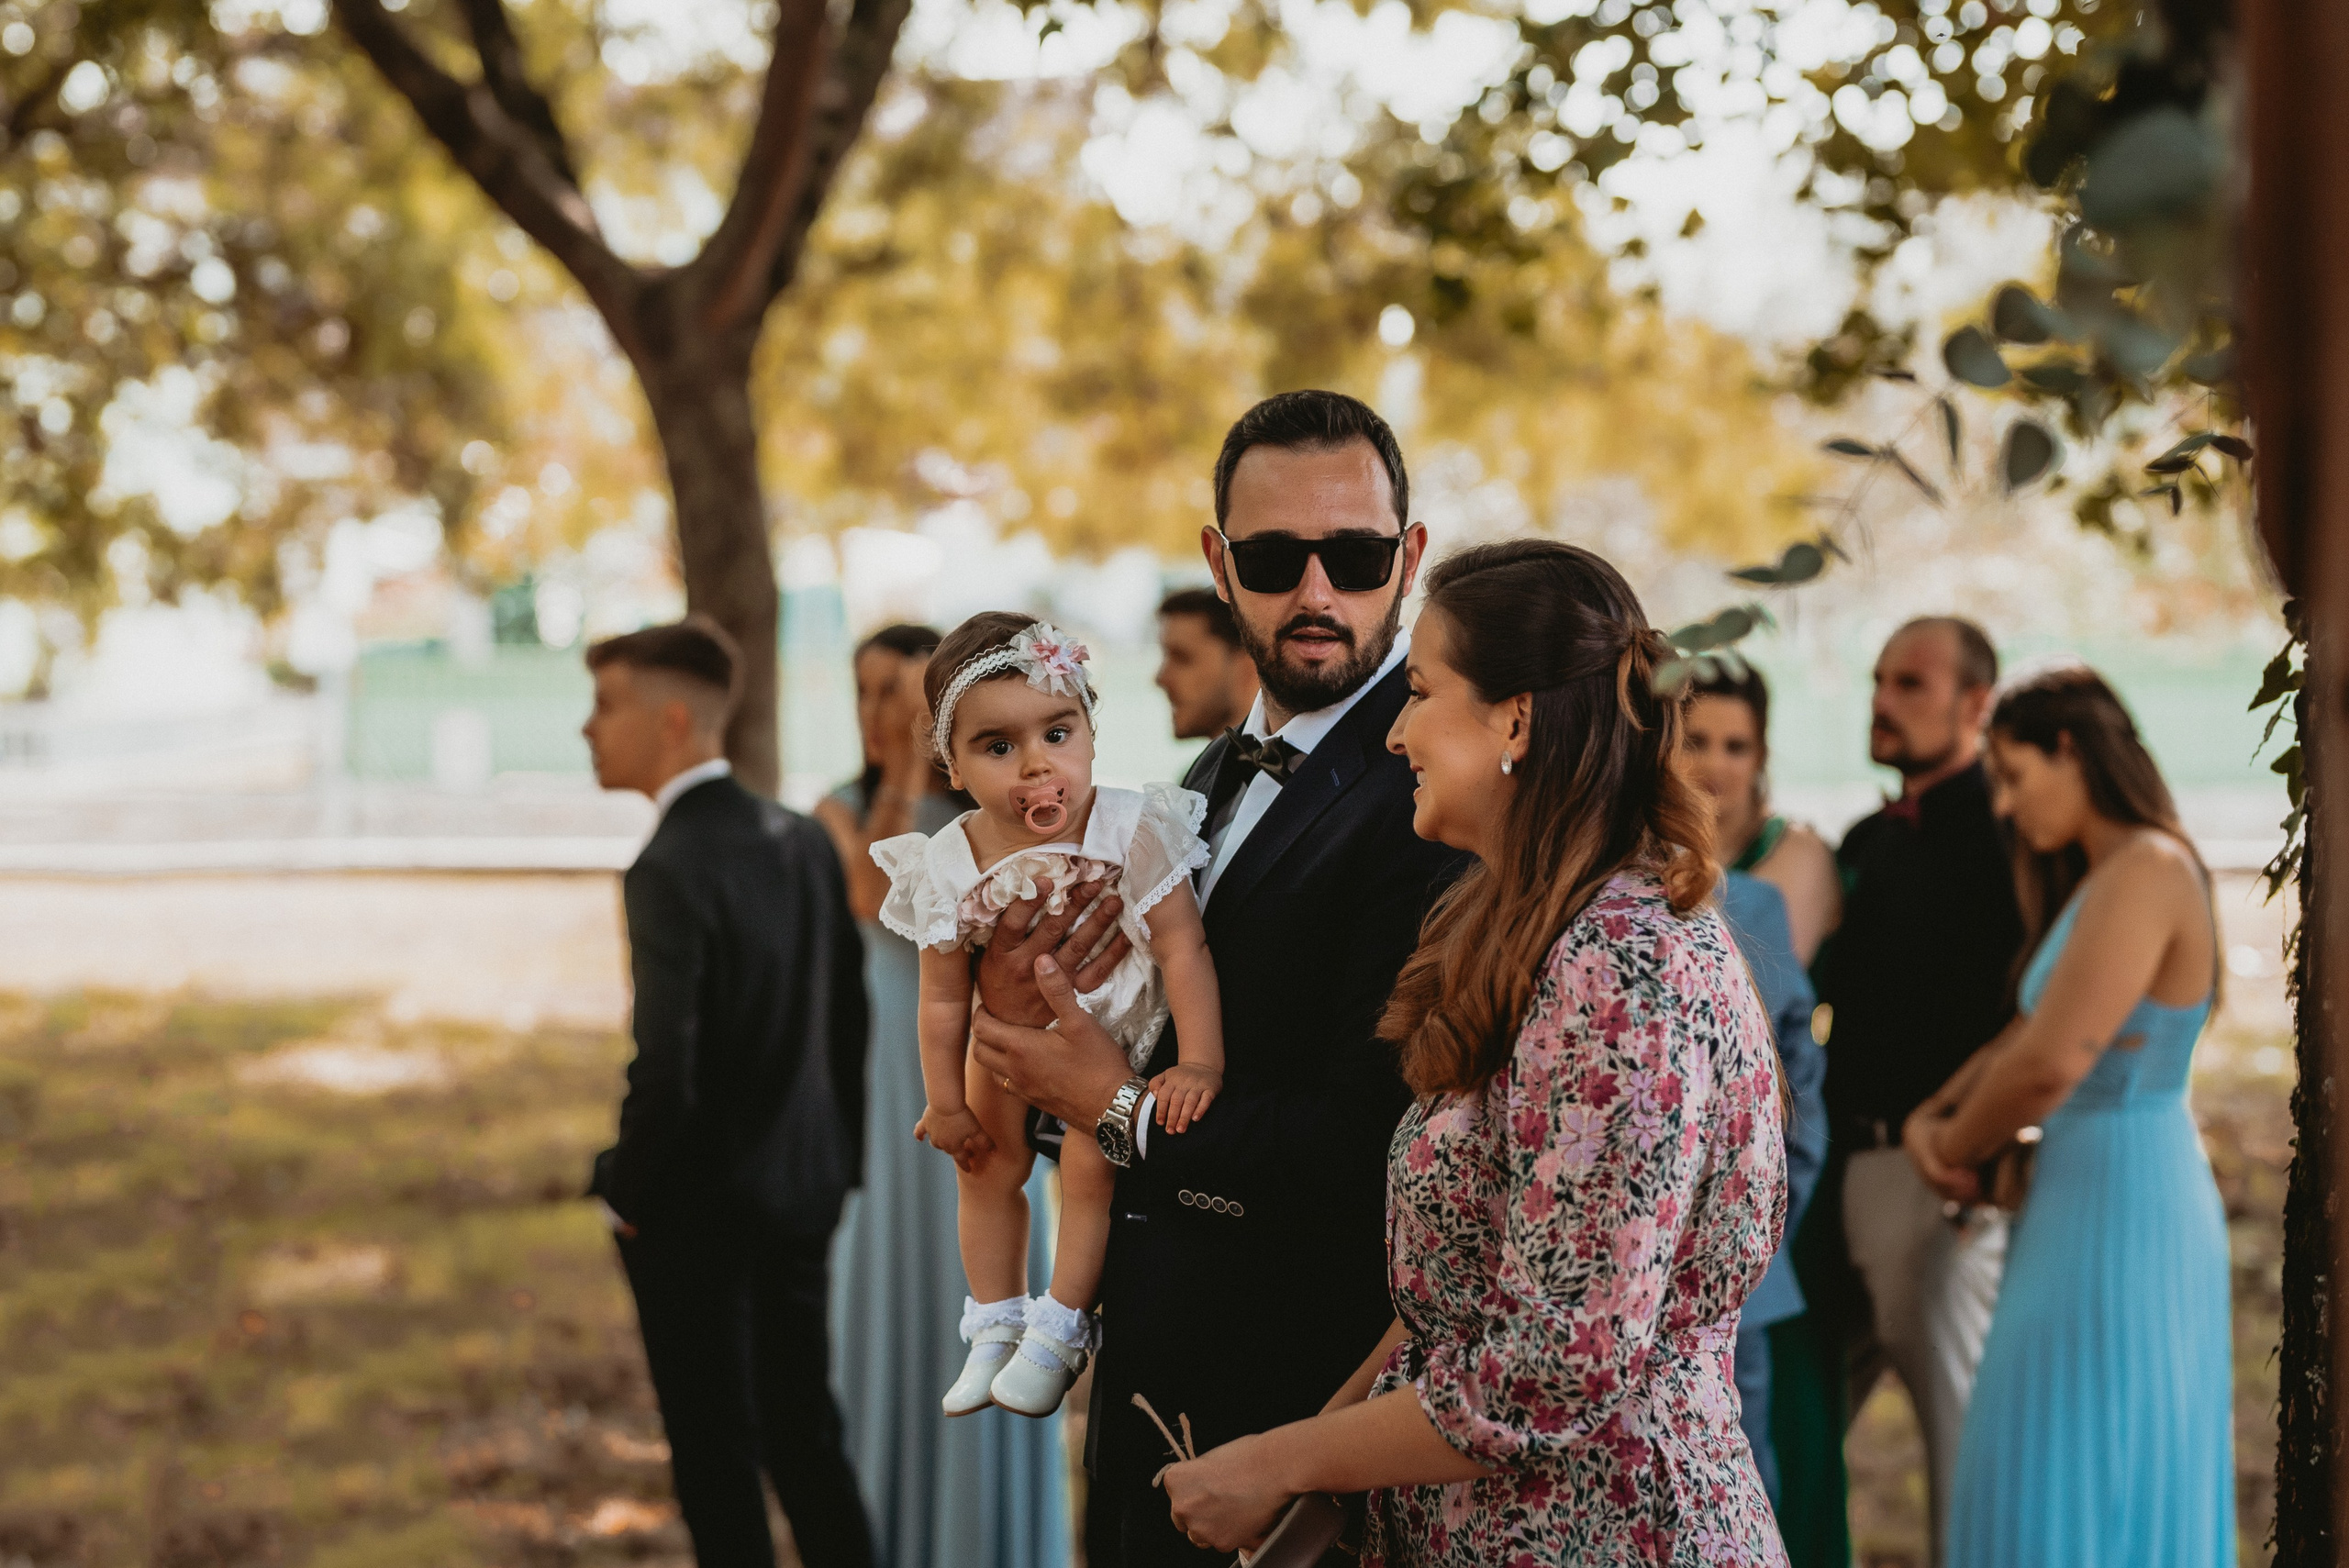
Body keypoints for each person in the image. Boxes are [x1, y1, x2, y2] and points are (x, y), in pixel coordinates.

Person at [1157, 539, 1789, 1564]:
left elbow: (1556, 1361)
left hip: (1609, 1534)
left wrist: (1284, 1459)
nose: (1398, 731)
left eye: (1419, 690)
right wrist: (1320, 1464)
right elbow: (1461, 1302)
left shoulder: (1619, 963)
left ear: (1516, 717)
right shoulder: (1532, 930)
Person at [963, 390, 1465, 1565]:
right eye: (1273, 555)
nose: (1315, 591)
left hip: (1299, 1413)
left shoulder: (1431, 805)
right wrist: (1050, 1059)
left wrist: (1115, 1109)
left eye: (1353, 554)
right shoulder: (1203, 776)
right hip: (1154, 1369)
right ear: (1217, 559)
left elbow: (1367, 1144)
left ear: (1411, 557)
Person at [1906, 664, 2231, 1567]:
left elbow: (2049, 1064)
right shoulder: (2098, 879)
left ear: (2071, 750)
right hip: (2075, 1200)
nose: (2004, 806)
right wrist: (1932, 1116)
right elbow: (2026, 1030)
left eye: (2012, 774)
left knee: (2080, 1461)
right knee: (2032, 1456)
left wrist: (1949, 1149)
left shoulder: (2150, 868)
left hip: (2128, 1202)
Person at [870, 613, 1226, 1419]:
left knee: (1090, 1164)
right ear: (953, 767)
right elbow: (942, 996)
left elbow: (1183, 949)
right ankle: (995, 1318)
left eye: (1057, 733)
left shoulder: (1131, 829)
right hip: (1001, 1036)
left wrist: (1199, 1060)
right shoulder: (950, 860)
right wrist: (947, 1099)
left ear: (1091, 734)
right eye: (998, 748)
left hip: (1112, 1033)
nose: (1037, 765)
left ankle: (1061, 1329)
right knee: (984, 1162)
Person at [578, 617, 874, 1568]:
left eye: (606, 704)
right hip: (803, 1192)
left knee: (716, 1457)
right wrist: (837, 1165)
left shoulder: (666, 865)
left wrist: (626, 1187)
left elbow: (668, 1060)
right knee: (805, 1437)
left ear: (673, 720)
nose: (588, 728)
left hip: (696, 1213)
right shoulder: (798, 837)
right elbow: (848, 1024)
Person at [814, 624, 1067, 1568]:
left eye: (906, 695)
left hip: (988, 1093)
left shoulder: (996, 815)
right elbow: (866, 893)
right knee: (876, 1304)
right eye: (870, 691)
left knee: (991, 1291)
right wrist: (893, 770)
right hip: (889, 1098)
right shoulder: (840, 808)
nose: (887, 711)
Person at [1810, 617, 2023, 1566]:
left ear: (1977, 704)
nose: (1882, 701)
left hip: (1938, 1179)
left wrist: (1977, 1145)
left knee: (1967, 1450)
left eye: (1911, 684)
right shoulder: (1864, 839)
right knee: (1796, 1432)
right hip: (1830, 1177)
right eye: (1878, 679)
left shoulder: (2010, 841)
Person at [1685, 662, 1842, 964]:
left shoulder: (1798, 851)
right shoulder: (1644, 849)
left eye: (1736, 747)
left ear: (1760, 755)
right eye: (1695, 743)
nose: (1714, 764)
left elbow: (1768, 992)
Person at [1154, 587, 1258, 740]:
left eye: (1182, 659)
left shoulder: (1297, 763)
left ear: (1250, 668)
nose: (1161, 679)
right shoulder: (1206, 764)